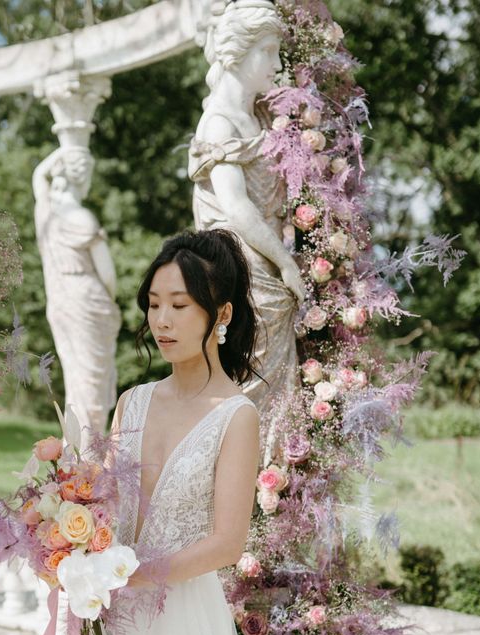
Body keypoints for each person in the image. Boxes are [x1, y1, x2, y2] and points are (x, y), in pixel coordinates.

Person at [89, 229, 260, 635]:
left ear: (221, 314)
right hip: (115, 617)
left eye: (180, 306)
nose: (162, 320)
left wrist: (134, 574)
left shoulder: (236, 416)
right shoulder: (132, 402)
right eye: (154, 303)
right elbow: (99, 504)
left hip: (183, 622)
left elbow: (228, 543)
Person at [189, 0, 305, 452]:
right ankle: (246, 495)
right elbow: (237, 207)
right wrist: (286, 263)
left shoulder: (258, 118)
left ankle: (274, 496)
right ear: (238, 52)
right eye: (269, 51)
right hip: (245, 271)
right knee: (247, 387)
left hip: (268, 267)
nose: (276, 65)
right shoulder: (218, 122)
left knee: (277, 395)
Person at [33, 146, 121, 446]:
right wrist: (111, 302)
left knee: (77, 380)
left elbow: (38, 178)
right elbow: (107, 273)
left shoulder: (46, 214)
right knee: (91, 384)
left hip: (60, 299)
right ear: (82, 178)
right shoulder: (81, 217)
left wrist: (59, 155)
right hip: (88, 298)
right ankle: (89, 454)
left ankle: (77, 452)